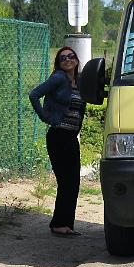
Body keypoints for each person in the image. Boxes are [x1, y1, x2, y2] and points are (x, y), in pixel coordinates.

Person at [29, 46, 86, 237]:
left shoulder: (79, 82)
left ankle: (65, 224)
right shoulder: (59, 78)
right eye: (63, 58)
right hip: (58, 136)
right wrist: (46, 117)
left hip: (70, 136)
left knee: (73, 181)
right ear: (59, 63)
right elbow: (34, 94)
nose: (68, 60)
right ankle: (59, 224)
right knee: (66, 181)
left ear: (76, 60)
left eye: (71, 56)